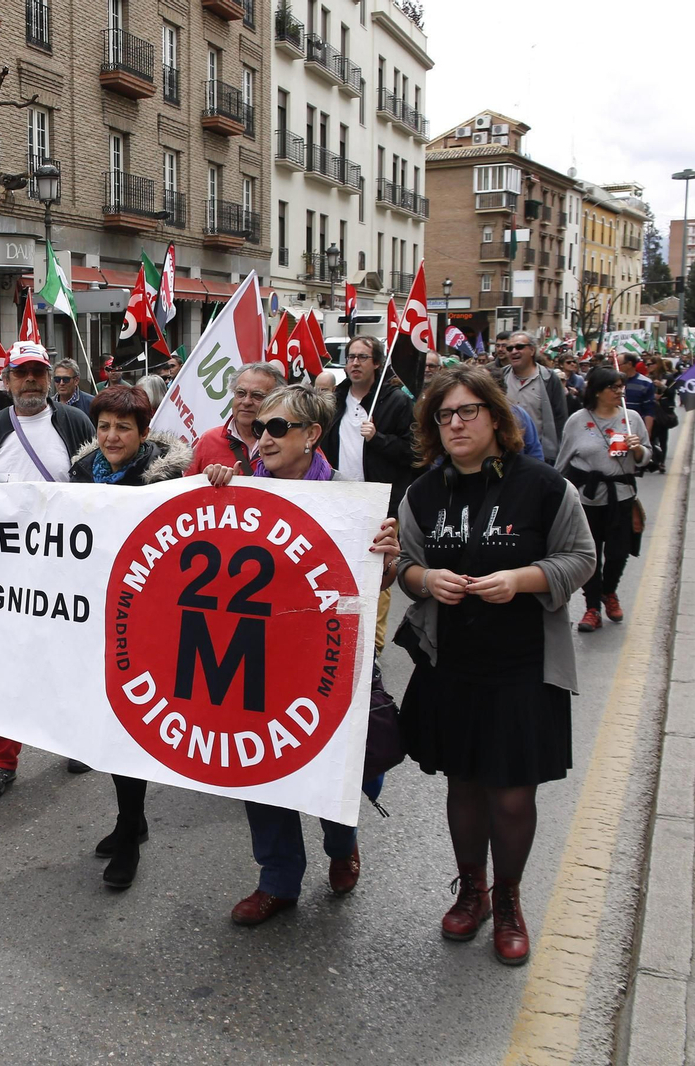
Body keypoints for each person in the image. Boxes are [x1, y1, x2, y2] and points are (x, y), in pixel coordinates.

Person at [394, 365, 594, 965]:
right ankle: (472, 891)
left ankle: (508, 899)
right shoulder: (423, 494)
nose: (454, 424)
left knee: (510, 794)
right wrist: (426, 578)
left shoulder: (544, 487)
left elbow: (580, 558)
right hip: (451, 664)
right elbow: (404, 564)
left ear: (496, 417)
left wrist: (522, 579)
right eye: (443, 415)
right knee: (465, 784)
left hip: (523, 665)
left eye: (467, 412)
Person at [200, 385, 401, 924]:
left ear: (312, 435)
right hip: (256, 661)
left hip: (326, 661)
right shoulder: (240, 492)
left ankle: (342, 843)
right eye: (260, 426)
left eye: (278, 428)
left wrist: (386, 558)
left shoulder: (347, 498)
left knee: (344, 768)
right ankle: (278, 880)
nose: (262, 437)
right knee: (260, 772)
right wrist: (214, 490)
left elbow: (375, 582)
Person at [0, 340, 95, 797]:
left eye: (39, 373)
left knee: (66, 659)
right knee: (5, 667)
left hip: (64, 573)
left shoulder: (75, 423)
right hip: (4, 577)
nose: (31, 381)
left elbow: (96, 491)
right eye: (21, 373)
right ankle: (0, 760)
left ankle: (76, 738)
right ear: (4, 380)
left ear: (49, 379)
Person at [65, 385, 192, 889]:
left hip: (146, 618)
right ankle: (130, 820)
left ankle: (129, 829)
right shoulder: (78, 473)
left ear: (143, 433)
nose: (112, 437)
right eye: (104, 427)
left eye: (123, 427)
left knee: (129, 724)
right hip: (92, 612)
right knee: (102, 722)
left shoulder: (167, 479)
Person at [318, 335, 415, 654]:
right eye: (350, 357)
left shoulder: (396, 401)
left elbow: (413, 452)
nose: (355, 363)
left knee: (377, 570)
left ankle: (371, 644)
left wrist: (379, 439)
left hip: (378, 499)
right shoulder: (336, 399)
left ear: (376, 363)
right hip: (340, 496)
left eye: (362, 357)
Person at [556, 367, 650, 633]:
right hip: (586, 499)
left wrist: (638, 448)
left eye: (622, 387)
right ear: (597, 391)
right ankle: (592, 606)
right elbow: (563, 461)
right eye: (614, 387)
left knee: (619, 552)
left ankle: (610, 592)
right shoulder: (577, 420)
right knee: (590, 555)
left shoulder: (631, 418)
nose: (620, 392)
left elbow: (647, 456)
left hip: (621, 497)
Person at [185, 361, 286, 476]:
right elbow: (187, 489)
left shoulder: (287, 441)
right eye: (241, 393)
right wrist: (207, 482)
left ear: (276, 400)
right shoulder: (209, 440)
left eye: (257, 395)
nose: (246, 401)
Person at [495, 332, 568, 463]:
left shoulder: (549, 379)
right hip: (506, 453)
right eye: (510, 348)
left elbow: (560, 418)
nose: (514, 351)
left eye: (519, 347)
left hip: (540, 455)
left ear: (532, 350)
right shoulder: (500, 377)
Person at [618, 353, 657, 440]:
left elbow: (649, 411)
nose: (616, 366)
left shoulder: (645, 383)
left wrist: (647, 433)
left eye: (619, 364)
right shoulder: (613, 382)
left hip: (636, 427)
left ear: (629, 364)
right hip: (616, 427)